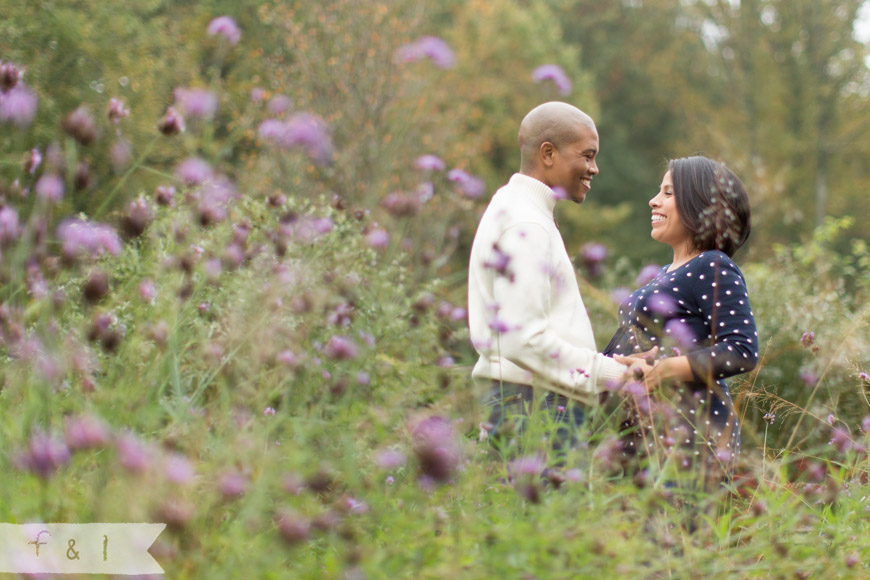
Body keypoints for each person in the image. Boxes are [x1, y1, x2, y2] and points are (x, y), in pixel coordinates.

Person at [467, 102, 628, 453]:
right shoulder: (525, 223)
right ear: (548, 153)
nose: (594, 168)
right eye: (587, 155)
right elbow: (521, 337)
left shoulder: (522, 211)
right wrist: (609, 373)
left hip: (531, 404)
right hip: (533, 407)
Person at [605, 156, 758, 489]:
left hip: (690, 436)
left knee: (675, 539)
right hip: (644, 435)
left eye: (668, 192)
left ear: (699, 204)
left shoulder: (712, 265)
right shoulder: (663, 275)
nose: (654, 200)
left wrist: (664, 370)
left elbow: (742, 349)